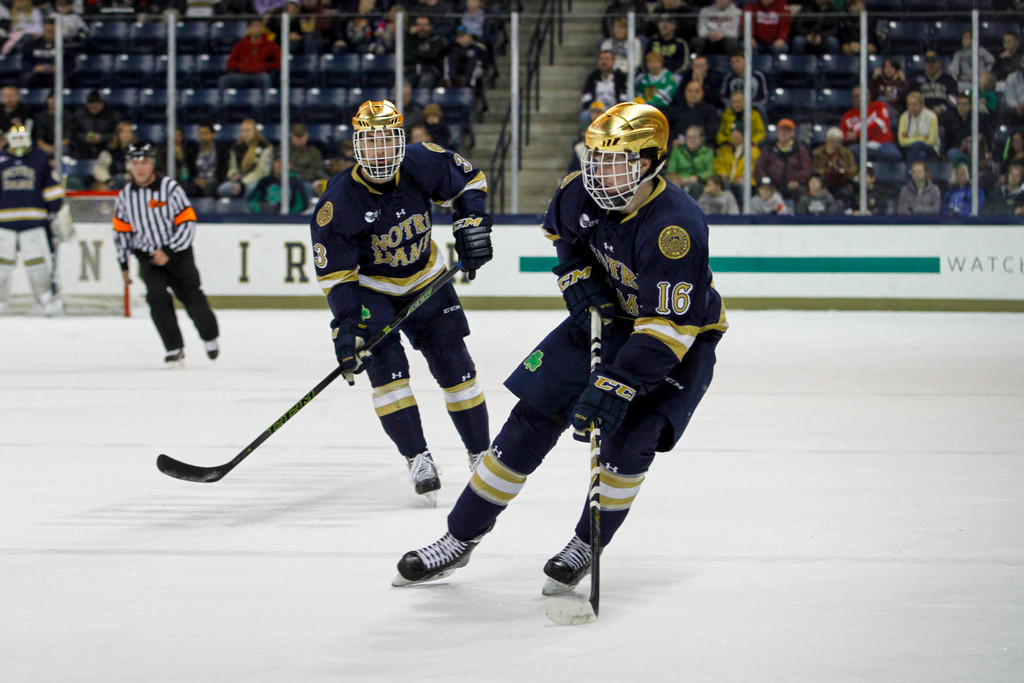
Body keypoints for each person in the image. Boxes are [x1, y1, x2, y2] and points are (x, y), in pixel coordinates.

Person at [392, 102, 727, 592]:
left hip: (677, 339)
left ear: (654, 161)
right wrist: (577, 277)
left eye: (618, 162)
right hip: (604, 318)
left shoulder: (675, 229)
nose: (600, 174)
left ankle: (586, 544)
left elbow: (668, 329)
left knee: (625, 445)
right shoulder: (579, 192)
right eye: (596, 159)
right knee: (527, 422)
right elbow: (565, 239)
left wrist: (619, 384)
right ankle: (458, 539)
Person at [309, 99, 494, 503]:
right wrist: (347, 326)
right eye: (369, 142)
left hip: (427, 279)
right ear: (356, 146)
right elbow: (339, 279)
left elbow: (471, 183)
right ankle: (417, 457)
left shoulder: (423, 160)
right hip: (373, 292)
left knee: (456, 367)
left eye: (387, 140)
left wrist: (471, 222)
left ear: (401, 139)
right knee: (388, 377)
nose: (380, 151)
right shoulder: (335, 204)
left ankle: (481, 451)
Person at [112, 143, 220, 365]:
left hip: (178, 254)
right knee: (156, 296)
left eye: (144, 162)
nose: (140, 168)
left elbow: (188, 222)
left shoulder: (170, 188)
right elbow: (121, 231)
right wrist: (123, 264)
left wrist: (169, 251)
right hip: (148, 256)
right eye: (135, 163)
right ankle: (174, 347)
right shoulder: (124, 196)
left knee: (192, 297)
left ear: (152, 164)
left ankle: (209, 335)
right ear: (129, 167)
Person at [0, 125, 65, 316]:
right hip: (4, 222)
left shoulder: (39, 158)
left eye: (23, 137)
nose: (19, 142)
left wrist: (56, 207)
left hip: (34, 221)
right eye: (16, 138)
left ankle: (46, 299)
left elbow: (50, 188)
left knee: (38, 265)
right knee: (1, 267)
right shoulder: (1, 160)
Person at [754, 118, 811, 203]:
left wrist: (797, 181)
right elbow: (759, 168)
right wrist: (766, 181)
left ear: (793, 133)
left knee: (802, 193)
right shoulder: (769, 149)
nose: (783, 133)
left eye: (787, 131)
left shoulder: (800, 150)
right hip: (771, 186)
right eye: (781, 130)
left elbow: (806, 169)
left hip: (792, 187)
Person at [839, 85, 901, 162]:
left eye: (860, 96)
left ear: (868, 96)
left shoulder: (879, 106)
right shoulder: (848, 116)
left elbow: (881, 125)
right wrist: (848, 137)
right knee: (850, 152)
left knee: (893, 154)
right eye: (855, 96)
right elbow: (843, 136)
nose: (857, 99)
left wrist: (857, 134)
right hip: (862, 146)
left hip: (884, 144)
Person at [218, 19, 281, 91]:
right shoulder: (241, 45)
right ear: (249, 29)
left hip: (260, 74)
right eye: (255, 26)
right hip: (242, 74)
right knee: (224, 80)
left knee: (265, 78)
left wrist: (264, 66)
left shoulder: (270, 45)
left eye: (260, 26)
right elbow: (230, 63)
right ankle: (223, 100)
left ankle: (265, 100)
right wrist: (243, 66)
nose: (258, 29)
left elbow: (279, 62)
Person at [217, 118, 274, 199]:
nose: (245, 134)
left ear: (255, 131)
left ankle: (247, 210)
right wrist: (234, 175)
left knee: (250, 189)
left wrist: (242, 183)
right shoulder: (236, 148)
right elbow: (232, 167)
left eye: (248, 131)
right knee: (223, 189)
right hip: (239, 180)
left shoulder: (265, 147)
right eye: (242, 131)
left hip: (258, 180)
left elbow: (262, 171)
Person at [579, 50, 629, 128]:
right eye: (601, 59)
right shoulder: (592, 77)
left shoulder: (621, 77)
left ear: (613, 62)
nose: (604, 62)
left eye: (607, 59)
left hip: (614, 110)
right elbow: (586, 95)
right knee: (584, 115)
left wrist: (614, 111)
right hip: (596, 109)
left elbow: (624, 97)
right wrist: (593, 109)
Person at [811, 126, 857, 208]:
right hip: (823, 184)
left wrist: (842, 171)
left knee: (846, 193)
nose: (834, 144)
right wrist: (827, 171)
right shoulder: (817, 153)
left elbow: (853, 169)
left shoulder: (846, 153)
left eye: (837, 142)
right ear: (827, 140)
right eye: (832, 141)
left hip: (842, 184)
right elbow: (813, 169)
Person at [665, 125, 714, 197]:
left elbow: (710, 172)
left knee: (695, 188)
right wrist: (678, 179)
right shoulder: (677, 150)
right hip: (679, 182)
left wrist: (698, 177)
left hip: (699, 184)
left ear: (701, 139)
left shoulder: (707, 152)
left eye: (694, 137)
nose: (691, 140)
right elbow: (671, 170)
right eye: (688, 137)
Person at [714, 120, 760, 193]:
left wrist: (742, 176)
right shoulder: (725, 149)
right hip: (728, 182)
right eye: (733, 132)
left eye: (737, 132)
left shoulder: (753, 150)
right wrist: (722, 174)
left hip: (744, 182)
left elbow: (753, 167)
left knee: (742, 186)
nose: (734, 135)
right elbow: (720, 164)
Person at [92, 121, 137, 191]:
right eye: (123, 132)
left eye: (129, 132)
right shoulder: (109, 151)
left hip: (132, 181)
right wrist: (107, 180)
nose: (126, 135)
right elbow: (100, 168)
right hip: (112, 181)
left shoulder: (137, 151)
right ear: (118, 134)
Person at [897, 91, 940, 162]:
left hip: (930, 148)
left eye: (914, 105)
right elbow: (902, 142)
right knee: (919, 151)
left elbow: (932, 141)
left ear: (922, 104)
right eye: (909, 105)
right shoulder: (904, 117)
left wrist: (911, 139)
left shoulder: (931, 116)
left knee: (917, 146)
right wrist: (922, 139)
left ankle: (909, 171)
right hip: (910, 148)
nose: (912, 108)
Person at [914, 51, 959, 116]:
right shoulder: (917, 80)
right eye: (927, 63)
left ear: (939, 63)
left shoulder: (949, 80)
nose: (930, 66)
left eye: (933, 63)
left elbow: (954, 100)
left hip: (944, 114)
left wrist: (942, 108)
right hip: (922, 113)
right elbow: (912, 97)